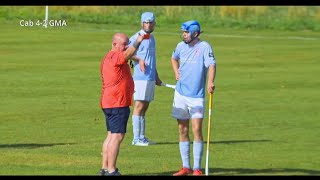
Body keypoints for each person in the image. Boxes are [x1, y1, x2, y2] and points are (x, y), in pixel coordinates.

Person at [170, 20, 216, 176]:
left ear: (195, 34)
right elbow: (173, 58)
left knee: (196, 129)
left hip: (196, 96)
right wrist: (176, 72)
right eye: (183, 32)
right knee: (182, 129)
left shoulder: (205, 47)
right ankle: (186, 167)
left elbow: (211, 65)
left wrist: (210, 82)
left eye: (186, 32)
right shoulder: (180, 46)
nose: (183, 34)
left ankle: (197, 168)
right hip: (180, 94)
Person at [99, 32, 144, 176]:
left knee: (111, 136)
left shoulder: (110, 57)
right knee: (117, 136)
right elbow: (127, 55)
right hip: (117, 103)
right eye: (123, 44)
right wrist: (137, 41)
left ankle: (105, 168)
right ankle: (112, 170)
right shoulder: (116, 56)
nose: (126, 47)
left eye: (127, 43)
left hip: (110, 102)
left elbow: (128, 56)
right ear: (114, 44)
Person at [129, 12, 162, 146]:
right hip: (140, 77)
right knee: (139, 106)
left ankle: (142, 137)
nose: (148, 25)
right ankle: (136, 139)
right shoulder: (137, 36)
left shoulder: (152, 38)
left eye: (150, 22)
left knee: (145, 106)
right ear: (142, 23)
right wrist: (139, 59)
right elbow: (126, 53)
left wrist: (156, 76)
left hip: (149, 77)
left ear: (154, 23)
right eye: (146, 22)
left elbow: (152, 60)